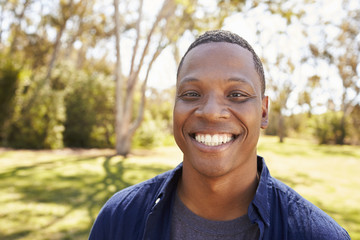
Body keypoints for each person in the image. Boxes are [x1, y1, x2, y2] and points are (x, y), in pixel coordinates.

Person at [89, 30, 350, 240]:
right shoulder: (119, 220)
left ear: (263, 112)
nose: (212, 112)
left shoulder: (319, 234)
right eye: (191, 94)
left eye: (236, 94)